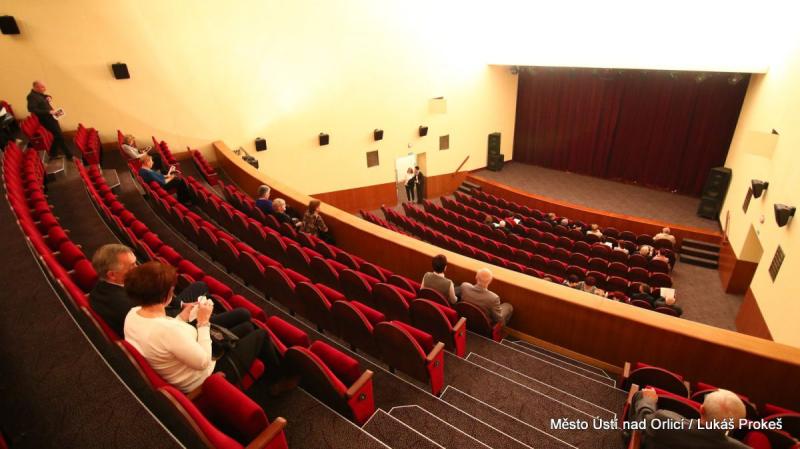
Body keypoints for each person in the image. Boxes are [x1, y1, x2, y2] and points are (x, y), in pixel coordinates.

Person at [123, 262, 289, 394]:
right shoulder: (167, 331)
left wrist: (183, 316)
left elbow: (169, 332)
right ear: (165, 296)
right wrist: (203, 321)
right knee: (261, 334)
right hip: (207, 377)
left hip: (187, 359)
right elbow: (203, 361)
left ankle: (263, 371)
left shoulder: (133, 313)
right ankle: (280, 377)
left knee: (247, 327)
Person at [89, 244, 252, 337]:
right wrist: (194, 316)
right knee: (243, 314)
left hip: (170, 311)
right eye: (132, 266)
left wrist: (182, 304)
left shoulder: (100, 289)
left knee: (200, 286)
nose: (137, 268)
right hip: (177, 324)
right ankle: (212, 322)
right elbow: (165, 326)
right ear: (112, 274)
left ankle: (211, 315)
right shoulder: (127, 306)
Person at [630, 387, 748, 448]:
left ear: (702, 409)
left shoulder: (663, 420)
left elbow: (643, 418)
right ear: (735, 426)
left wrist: (648, 400)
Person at [26, 80, 73, 160]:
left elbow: (44, 97)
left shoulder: (38, 94)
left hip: (52, 117)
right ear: (36, 87)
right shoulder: (31, 96)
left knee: (59, 136)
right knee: (59, 136)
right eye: (42, 87)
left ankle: (59, 154)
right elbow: (32, 109)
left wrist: (49, 97)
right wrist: (48, 111)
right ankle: (63, 154)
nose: (44, 89)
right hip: (46, 119)